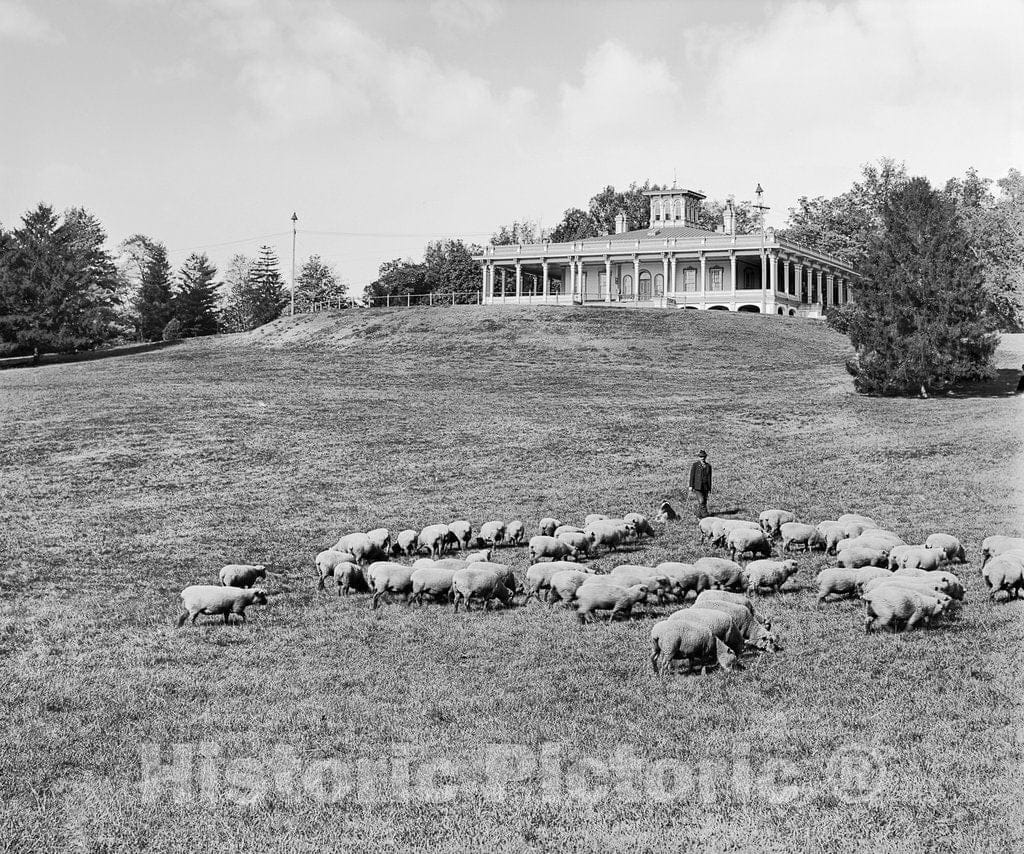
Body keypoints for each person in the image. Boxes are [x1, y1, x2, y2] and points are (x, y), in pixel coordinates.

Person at [688, 450, 712, 519]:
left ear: (706, 457)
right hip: (697, 487)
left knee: (704, 501)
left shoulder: (708, 466)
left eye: (704, 456)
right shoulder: (695, 465)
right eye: (701, 457)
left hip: (705, 487)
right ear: (699, 457)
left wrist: (709, 488)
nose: (702, 458)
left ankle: (698, 515)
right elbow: (692, 476)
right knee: (701, 501)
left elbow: (709, 478)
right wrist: (691, 486)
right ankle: (705, 516)